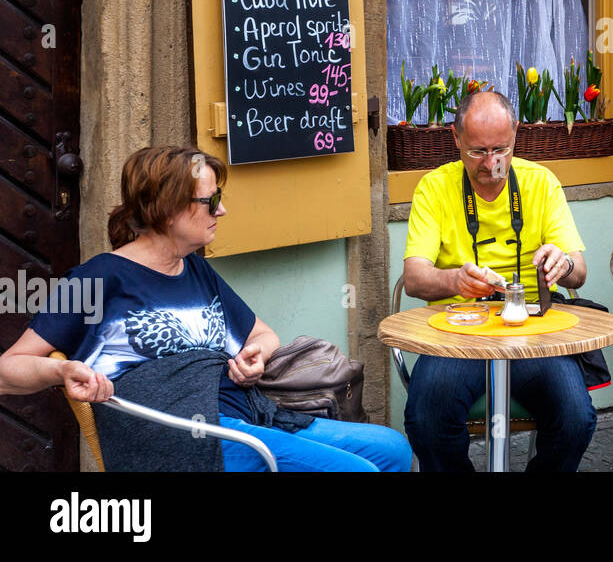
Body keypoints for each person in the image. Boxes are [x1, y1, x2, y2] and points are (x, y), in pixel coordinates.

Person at [0, 146, 412, 472]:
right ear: (166, 207)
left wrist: (257, 356)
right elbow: (7, 370)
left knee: (392, 449)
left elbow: (263, 335)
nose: (221, 209)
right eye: (209, 199)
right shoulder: (98, 278)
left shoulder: (194, 268)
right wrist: (61, 370)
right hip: (173, 436)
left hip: (245, 415)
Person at [402, 89, 595, 471]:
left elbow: (580, 270)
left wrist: (563, 265)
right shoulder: (433, 187)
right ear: (456, 139)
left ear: (516, 135)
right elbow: (413, 279)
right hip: (457, 330)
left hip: (534, 330)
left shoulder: (541, 182)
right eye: (477, 152)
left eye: (501, 149)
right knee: (425, 420)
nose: (491, 164)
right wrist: (456, 280)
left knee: (577, 419)